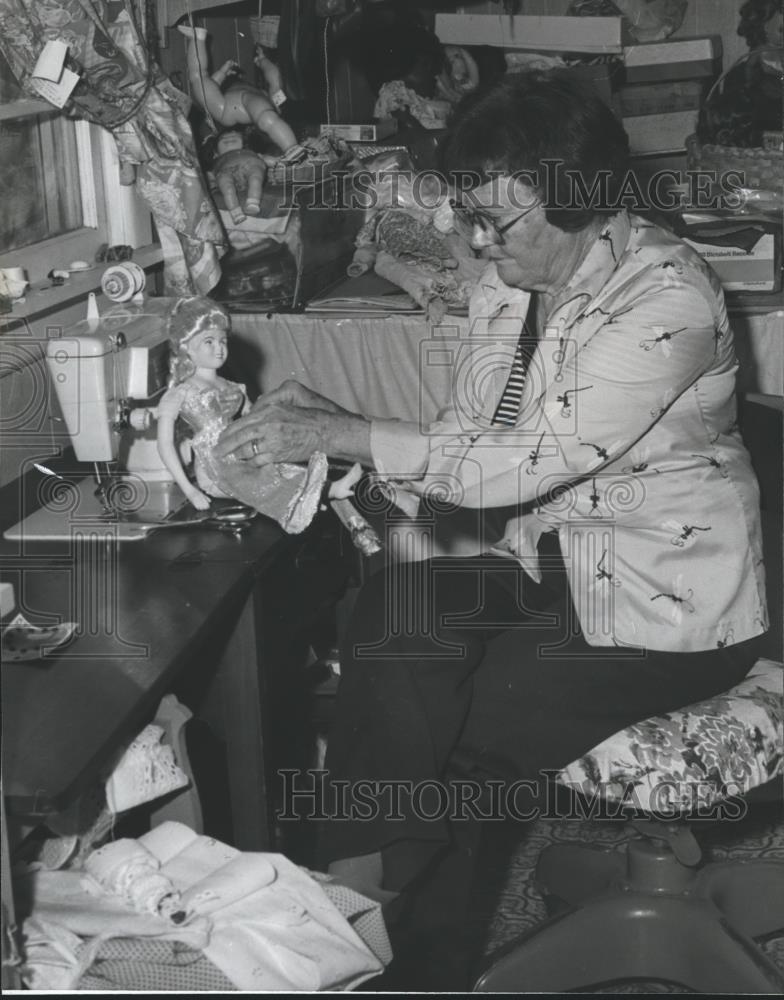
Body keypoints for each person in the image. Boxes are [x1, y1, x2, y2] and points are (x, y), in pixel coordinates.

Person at [215, 70, 770, 989]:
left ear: (580, 203)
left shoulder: (668, 298)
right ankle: (344, 902)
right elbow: (469, 442)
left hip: (671, 603)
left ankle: (406, 957)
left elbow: (531, 458)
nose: (477, 240)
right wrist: (332, 424)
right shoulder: (512, 283)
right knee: (395, 616)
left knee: (467, 724)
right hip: (548, 562)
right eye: (472, 217)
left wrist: (348, 433)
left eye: (497, 223)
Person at [156, 296, 327, 533]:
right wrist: (190, 490)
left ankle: (327, 491)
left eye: (222, 341)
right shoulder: (181, 393)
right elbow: (164, 444)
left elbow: (255, 419)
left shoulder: (230, 386)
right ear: (186, 348)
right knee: (267, 480)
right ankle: (322, 494)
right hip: (216, 467)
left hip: (239, 452)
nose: (219, 349)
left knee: (281, 467)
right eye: (209, 341)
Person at [178, 25, 305, 162]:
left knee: (199, 79)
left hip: (226, 112)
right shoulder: (266, 98)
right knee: (268, 116)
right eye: (237, 152)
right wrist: (263, 61)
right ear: (248, 147)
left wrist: (222, 73)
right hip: (253, 109)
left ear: (216, 154)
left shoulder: (220, 113)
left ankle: (197, 40)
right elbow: (275, 80)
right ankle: (292, 149)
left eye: (227, 155)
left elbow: (209, 87)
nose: (230, 142)